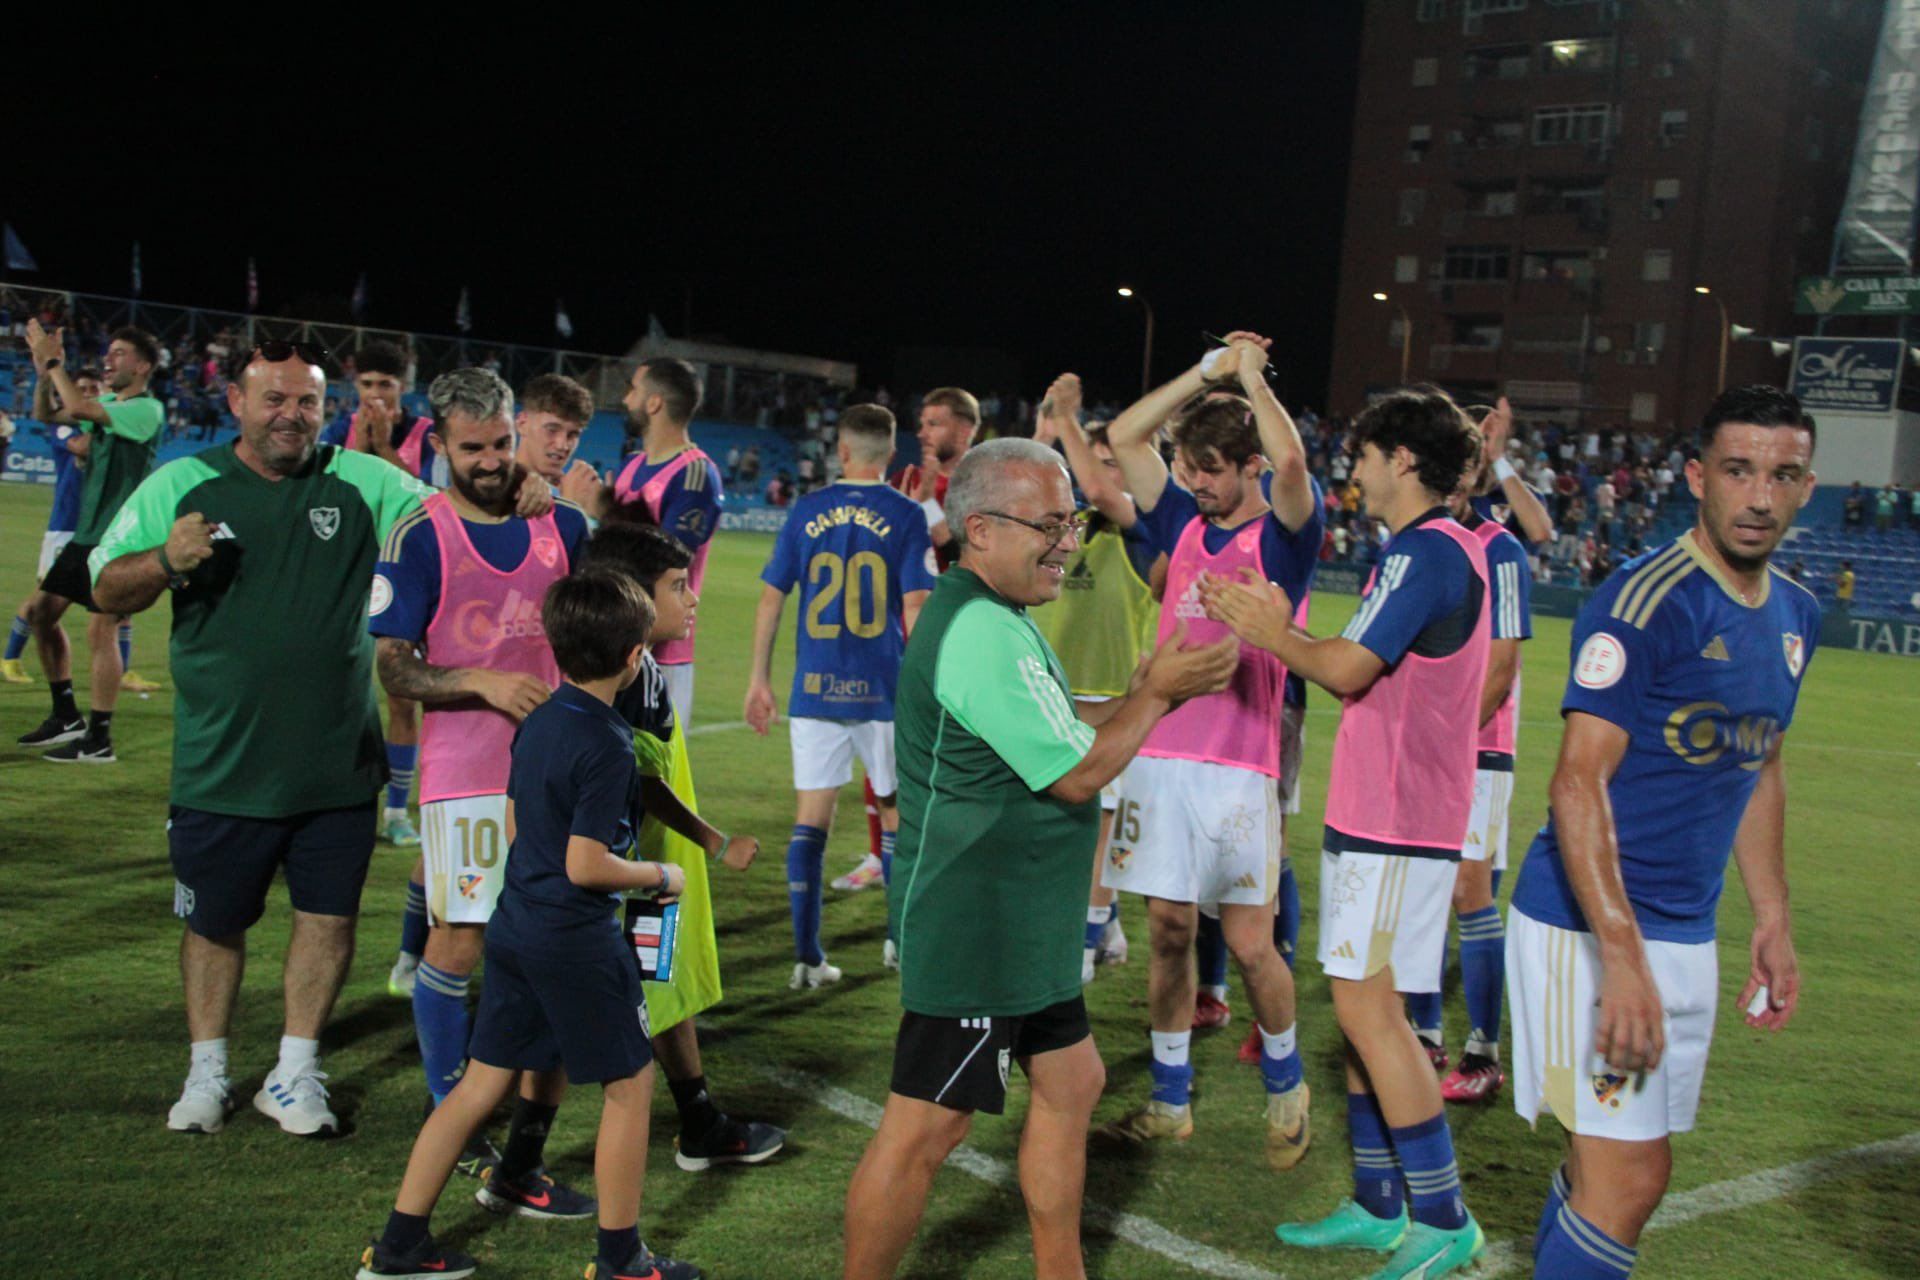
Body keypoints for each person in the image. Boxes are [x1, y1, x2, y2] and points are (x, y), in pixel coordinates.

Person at [842, 439, 1237, 1280]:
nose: (1068, 541)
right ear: (979, 530)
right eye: (1050, 524)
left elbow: (1063, 718)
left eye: (1073, 520)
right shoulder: (979, 629)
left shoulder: (997, 618)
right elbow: (1078, 771)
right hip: (977, 921)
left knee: (1073, 1083)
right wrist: (1159, 694)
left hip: (1021, 920)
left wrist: (1150, 692)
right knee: (926, 1130)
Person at [1504, 386, 1820, 1279]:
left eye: (1782, 474)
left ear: (1806, 486)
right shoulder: (1644, 599)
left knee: (1607, 1168)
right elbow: (1576, 784)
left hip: (1685, 925)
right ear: (1696, 478)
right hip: (1588, 926)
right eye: (1738, 470)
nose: (1759, 495)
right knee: (1631, 1173)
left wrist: (1771, 913)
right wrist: (1624, 958)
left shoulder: (1797, 614)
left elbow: (1760, 763)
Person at [90, 340, 434, 1138]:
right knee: (214, 924)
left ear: (326, 406)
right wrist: (167, 561)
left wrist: (521, 489)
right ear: (237, 404)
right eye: (273, 399)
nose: (291, 415)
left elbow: (447, 523)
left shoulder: (363, 481)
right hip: (221, 763)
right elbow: (104, 584)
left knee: (328, 918)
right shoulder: (184, 482)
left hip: (338, 764)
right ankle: (207, 1071)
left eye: (307, 400)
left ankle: (294, 1070)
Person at [1202, 386, 1490, 1278]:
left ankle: (1443, 1221)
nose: (1354, 470)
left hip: (1393, 820)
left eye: (1365, 455)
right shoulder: (1430, 551)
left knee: (1370, 1014)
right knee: (1377, 1017)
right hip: (1397, 815)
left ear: (1404, 459)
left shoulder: (1428, 554)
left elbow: (1345, 668)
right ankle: (1378, 1203)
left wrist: (1270, 630)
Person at [354, 572, 701, 1280]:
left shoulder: (539, 717)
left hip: (514, 925)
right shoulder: (608, 742)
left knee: (481, 1085)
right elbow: (586, 863)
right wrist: (660, 876)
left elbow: (518, 824)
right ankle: (621, 1261)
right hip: (573, 937)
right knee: (630, 1086)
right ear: (636, 656)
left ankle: (397, 1247)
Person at [368, 368, 594, 1203]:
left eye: (503, 443)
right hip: (465, 773)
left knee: (543, 945)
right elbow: (394, 666)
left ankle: (520, 1143)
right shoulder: (419, 535)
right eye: (475, 449)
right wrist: (484, 682)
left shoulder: (562, 524)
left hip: (556, 767)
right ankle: (450, 1112)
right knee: (459, 940)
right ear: (439, 444)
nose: (494, 461)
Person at [1098, 334, 1320, 1169]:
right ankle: (1167, 1100)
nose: (1196, 482)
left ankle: (1286, 1088)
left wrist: (1254, 378)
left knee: (1252, 942)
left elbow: (1294, 464)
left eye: (1215, 469)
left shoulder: (1286, 539)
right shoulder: (1180, 521)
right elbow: (1123, 437)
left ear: (1250, 466)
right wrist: (1203, 375)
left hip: (1237, 766)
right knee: (1164, 930)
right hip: (1159, 756)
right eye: (1190, 466)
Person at [581, 521, 785, 1171]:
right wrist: (715, 841)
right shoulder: (629, 678)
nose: (692, 597)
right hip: (635, 873)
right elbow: (640, 783)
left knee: (656, 987)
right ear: (634, 598)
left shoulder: (637, 669)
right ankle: (519, 1159)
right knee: (597, 1009)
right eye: (677, 586)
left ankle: (698, 1118)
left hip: (645, 869)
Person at [744, 404, 936, 984]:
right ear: (891, 453)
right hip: (883, 690)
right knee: (897, 813)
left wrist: (759, 678)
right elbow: (917, 605)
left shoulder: (806, 509)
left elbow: (773, 597)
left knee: (812, 822)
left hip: (816, 688)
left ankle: (807, 957)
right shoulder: (906, 514)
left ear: (842, 452)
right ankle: (898, 945)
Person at [1404, 444, 1534, 1102]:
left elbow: (1503, 665)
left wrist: (1450, 739)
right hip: (1426, 743)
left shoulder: (1500, 549)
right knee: (1427, 887)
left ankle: (1484, 1051)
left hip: (1477, 748)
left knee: (1468, 890)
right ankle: (1426, 1033)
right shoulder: (1422, 544)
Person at [1028, 374, 1162, 985]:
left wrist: (1069, 424)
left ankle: (1084, 941)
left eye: (1113, 465)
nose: (1100, 477)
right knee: (1060, 821)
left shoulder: (1138, 532)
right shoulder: (1070, 524)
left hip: (1110, 699)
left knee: (1104, 826)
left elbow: (1108, 496)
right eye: (1095, 464)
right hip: (1053, 694)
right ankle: (1101, 925)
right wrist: (1043, 435)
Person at [828, 385, 985, 895]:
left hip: (960, 636)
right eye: (921, 421)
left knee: (952, 754)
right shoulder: (907, 478)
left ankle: (945, 854)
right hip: (898, 638)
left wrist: (927, 506)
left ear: (966, 429)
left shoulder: (983, 480)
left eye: (935, 422)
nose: (923, 431)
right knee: (884, 750)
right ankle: (880, 853)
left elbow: (965, 553)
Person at [17, 320, 163, 762]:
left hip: (121, 540)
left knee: (102, 629)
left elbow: (78, 408)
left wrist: (55, 361)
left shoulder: (145, 409)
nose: (108, 359)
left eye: (119, 353)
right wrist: (45, 374)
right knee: (41, 614)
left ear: (143, 366)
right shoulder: (108, 402)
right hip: (86, 535)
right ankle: (66, 715)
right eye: (109, 351)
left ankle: (99, 738)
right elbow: (47, 414)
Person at [321, 340, 436, 847]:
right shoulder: (334, 432)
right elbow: (326, 500)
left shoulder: (426, 436)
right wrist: (360, 447)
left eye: (385, 386)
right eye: (366, 385)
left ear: (402, 388)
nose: (374, 396)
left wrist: (384, 447)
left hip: (404, 584)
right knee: (327, 697)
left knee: (402, 698)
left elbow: (431, 506)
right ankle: (327, 797)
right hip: (342, 581)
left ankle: (395, 812)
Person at [599, 358, 722, 727]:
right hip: (612, 645)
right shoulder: (632, 466)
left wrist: (602, 509)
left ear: (654, 403)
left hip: (662, 655)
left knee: (655, 778)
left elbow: (667, 560)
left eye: (633, 390)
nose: (626, 400)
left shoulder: (694, 474)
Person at [3, 369, 97, 685]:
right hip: (65, 527)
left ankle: (124, 670)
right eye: (80, 389)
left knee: (113, 606)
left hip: (97, 527)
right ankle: (10, 658)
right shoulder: (62, 430)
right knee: (44, 599)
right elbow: (82, 449)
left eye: (92, 389)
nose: (86, 394)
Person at [1469, 397, 1554, 548]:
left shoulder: (1521, 495)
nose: (1483, 447)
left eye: (1489, 439)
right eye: (1476, 440)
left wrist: (1497, 459)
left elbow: (1540, 533)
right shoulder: (1446, 491)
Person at [513, 372, 601, 508]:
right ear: (522, 424)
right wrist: (571, 506)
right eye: (552, 430)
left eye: (572, 434)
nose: (562, 445)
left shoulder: (578, 492)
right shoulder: (494, 489)